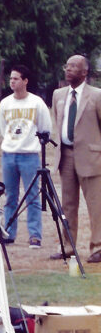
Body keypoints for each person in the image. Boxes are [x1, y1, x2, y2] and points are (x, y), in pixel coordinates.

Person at [51, 54, 101, 263]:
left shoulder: (96, 95)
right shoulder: (58, 94)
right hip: (66, 156)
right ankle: (68, 246)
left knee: (96, 204)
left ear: (84, 72)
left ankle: (98, 246)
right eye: (67, 66)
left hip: (91, 157)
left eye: (74, 67)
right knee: (68, 205)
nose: (68, 70)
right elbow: (56, 120)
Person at [0, 64, 52, 248]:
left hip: (29, 156)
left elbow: (45, 128)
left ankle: (35, 236)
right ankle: (9, 232)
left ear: (25, 81)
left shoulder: (36, 103)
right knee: (10, 196)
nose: (12, 81)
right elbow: (3, 128)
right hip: (9, 155)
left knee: (32, 196)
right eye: (11, 78)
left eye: (16, 78)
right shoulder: (5, 103)